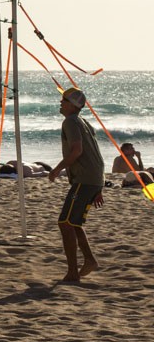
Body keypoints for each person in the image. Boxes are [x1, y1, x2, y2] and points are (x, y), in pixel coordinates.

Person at [48, 86, 104, 282]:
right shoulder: (83, 122)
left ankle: (73, 272)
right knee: (74, 223)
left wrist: (57, 169)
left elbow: (77, 150)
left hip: (86, 180)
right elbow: (95, 153)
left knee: (65, 223)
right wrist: (99, 185)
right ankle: (89, 260)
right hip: (93, 178)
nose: (60, 103)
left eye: (63, 100)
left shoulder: (70, 121)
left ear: (72, 106)